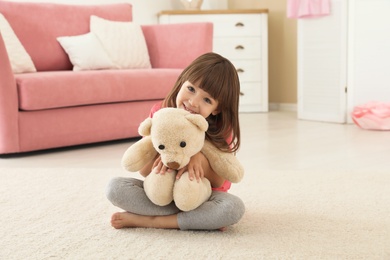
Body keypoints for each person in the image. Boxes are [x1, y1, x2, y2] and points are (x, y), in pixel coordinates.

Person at [106, 52, 245, 231]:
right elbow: (144, 170)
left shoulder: (220, 129)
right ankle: (194, 221)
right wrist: (166, 157)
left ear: (217, 109)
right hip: (160, 194)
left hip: (200, 199)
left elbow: (220, 182)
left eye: (207, 100)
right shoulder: (160, 113)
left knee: (232, 208)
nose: (193, 102)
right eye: (191, 89)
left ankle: (152, 220)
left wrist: (200, 159)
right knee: (115, 188)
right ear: (182, 82)